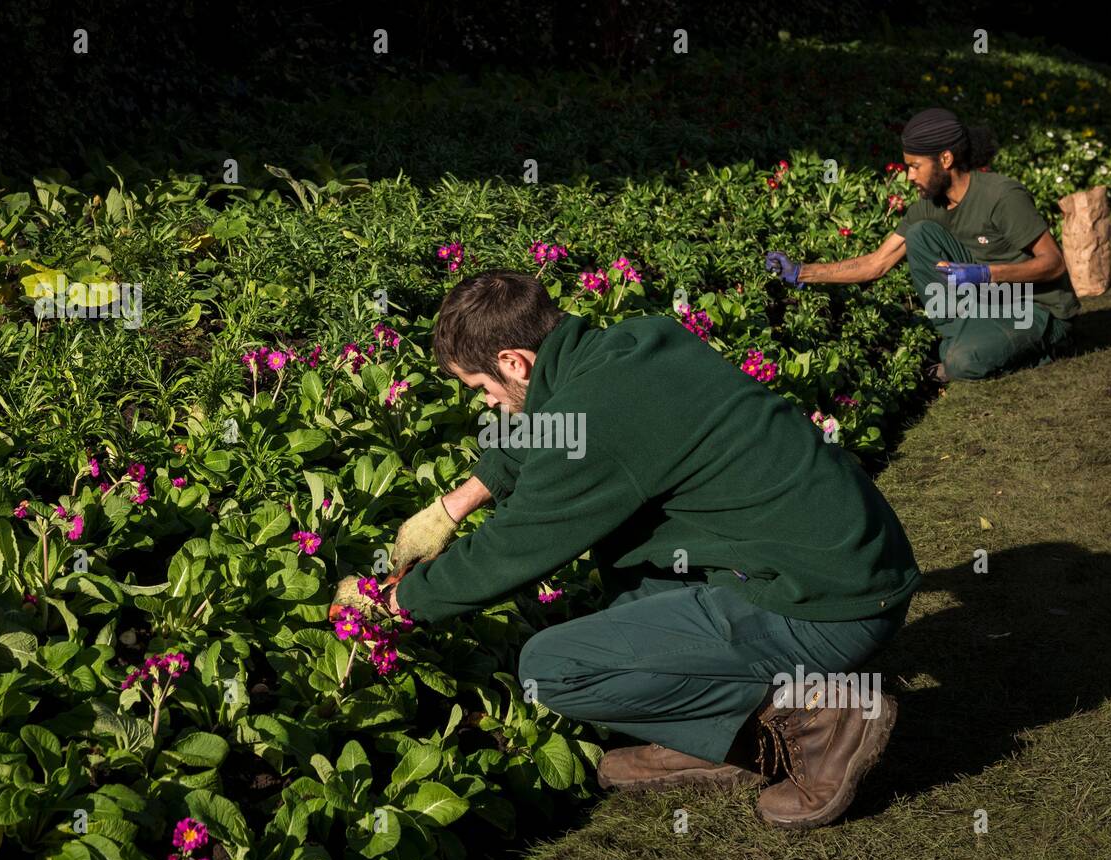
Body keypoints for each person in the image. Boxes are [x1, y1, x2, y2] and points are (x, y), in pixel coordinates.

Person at [334, 269, 921, 829]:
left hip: (826, 605)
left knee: (552, 669)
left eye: (482, 387)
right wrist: (450, 507)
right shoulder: (634, 342)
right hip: (853, 563)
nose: (486, 403)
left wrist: (392, 603)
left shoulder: (593, 422)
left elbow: (510, 551)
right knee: (627, 566)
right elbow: (548, 428)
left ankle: (819, 721)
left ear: (514, 361)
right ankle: (710, 735)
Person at [766, 107, 1079, 382]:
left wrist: (986, 274)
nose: (909, 176)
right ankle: (968, 342)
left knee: (960, 362)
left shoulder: (1001, 196)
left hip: (1038, 310)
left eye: (915, 166)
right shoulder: (927, 208)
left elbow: (1054, 264)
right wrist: (801, 272)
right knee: (920, 234)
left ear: (945, 159)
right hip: (991, 306)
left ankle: (1036, 347)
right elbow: (877, 263)